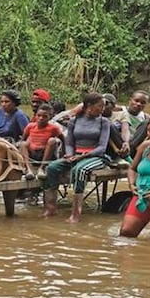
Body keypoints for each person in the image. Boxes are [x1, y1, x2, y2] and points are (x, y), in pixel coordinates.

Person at [41, 92, 112, 223]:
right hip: (75, 155)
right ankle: (51, 208)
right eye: (100, 106)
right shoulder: (75, 120)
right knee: (51, 168)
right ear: (89, 106)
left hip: (96, 156)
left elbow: (102, 147)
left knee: (79, 170)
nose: (103, 109)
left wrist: (82, 157)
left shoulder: (104, 122)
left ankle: (75, 214)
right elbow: (69, 142)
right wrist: (69, 154)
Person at [19, 103, 63, 179]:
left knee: (52, 140)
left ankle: (42, 168)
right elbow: (23, 138)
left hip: (45, 154)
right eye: (38, 116)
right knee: (23, 144)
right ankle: (29, 169)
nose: (41, 118)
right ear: (36, 115)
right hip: (33, 154)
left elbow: (63, 139)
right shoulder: (30, 126)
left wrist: (63, 153)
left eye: (44, 116)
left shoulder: (53, 128)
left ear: (50, 117)